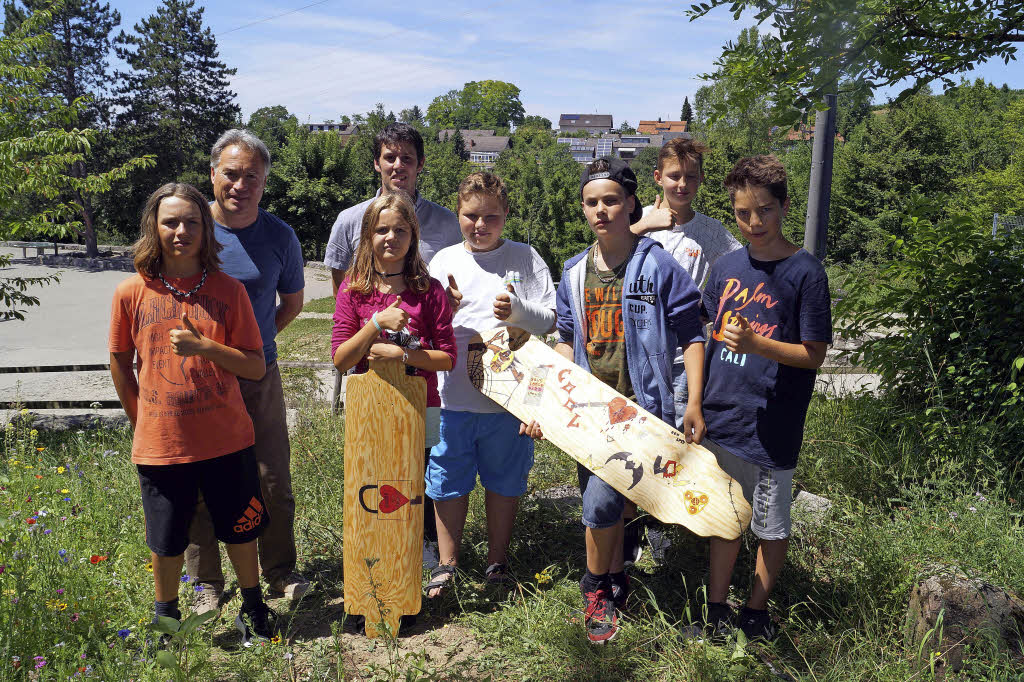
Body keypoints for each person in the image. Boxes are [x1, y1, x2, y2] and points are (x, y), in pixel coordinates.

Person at [109, 183, 277, 643]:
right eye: (170, 222)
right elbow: (121, 364)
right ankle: (166, 621)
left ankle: (254, 609)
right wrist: (141, 419)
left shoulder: (228, 291)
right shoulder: (131, 292)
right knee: (166, 541)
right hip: (161, 444)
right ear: (153, 227)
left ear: (207, 230)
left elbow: (255, 364)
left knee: (241, 530)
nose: (181, 231)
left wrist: (206, 346)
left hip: (227, 438)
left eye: (192, 222)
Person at [554, 158, 706, 645]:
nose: (602, 210)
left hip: (641, 409)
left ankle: (596, 588)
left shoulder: (657, 264)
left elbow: (693, 334)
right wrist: (556, 396)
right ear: (583, 208)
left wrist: (694, 401)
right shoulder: (574, 271)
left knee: (602, 505)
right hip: (591, 412)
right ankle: (616, 579)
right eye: (592, 202)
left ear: (631, 204)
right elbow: (564, 337)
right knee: (601, 503)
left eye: (612, 200)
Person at [700, 155, 832, 641]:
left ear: (785, 206)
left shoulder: (805, 272)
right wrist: (696, 403)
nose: (754, 223)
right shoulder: (727, 266)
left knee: (770, 526)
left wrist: (758, 345)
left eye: (765, 211)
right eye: (742, 213)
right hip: (722, 415)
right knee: (724, 517)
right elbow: (704, 333)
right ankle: (716, 609)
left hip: (774, 421)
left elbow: (813, 353)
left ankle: (755, 611)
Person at [324, 122, 462, 565]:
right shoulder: (354, 287)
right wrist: (373, 327)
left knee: (416, 480)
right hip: (370, 400)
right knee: (371, 480)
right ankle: (372, 558)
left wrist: (402, 351)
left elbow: (446, 355)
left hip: (421, 398)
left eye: (400, 232)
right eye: (382, 231)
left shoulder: (430, 288)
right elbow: (341, 354)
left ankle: (418, 557)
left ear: (413, 238)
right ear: (368, 235)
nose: (390, 238)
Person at [185, 130, 308, 614]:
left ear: (264, 182)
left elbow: (293, 303)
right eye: (231, 174)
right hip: (196, 377)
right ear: (213, 174)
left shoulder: (280, 237)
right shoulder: (189, 229)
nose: (240, 185)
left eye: (251, 177)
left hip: (259, 377)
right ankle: (206, 583)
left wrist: (256, 345)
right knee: (199, 477)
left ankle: (280, 571)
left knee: (272, 475)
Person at [424, 172, 555, 598]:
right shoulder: (443, 261)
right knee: (447, 480)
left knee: (503, 482)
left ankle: (497, 561)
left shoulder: (525, 257)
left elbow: (551, 318)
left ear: (506, 216)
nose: (480, 225)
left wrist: (518, 311)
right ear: (458, 212)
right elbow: (422, 325)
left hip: (510, 401)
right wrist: (444, 308)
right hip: (451, 397)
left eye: (491, 217)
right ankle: (448, 564)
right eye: (470, 216)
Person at [621, 137, 742, 566]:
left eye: (691, 177)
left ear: (701, 181)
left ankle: (665, 526)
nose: (683, 184)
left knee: (675, 442)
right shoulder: (641, 225)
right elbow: (606, 257)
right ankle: (630, 529)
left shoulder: (711, 233)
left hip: (687, 357)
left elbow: (737, 272)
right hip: (638, 355)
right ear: (658, 178)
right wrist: (643, 225)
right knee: (636, 441)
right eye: (674, 176)